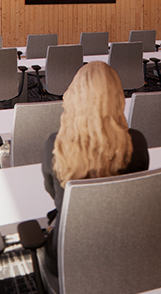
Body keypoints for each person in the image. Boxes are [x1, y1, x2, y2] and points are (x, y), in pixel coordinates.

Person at [41, 62, 150, 274]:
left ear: (75, 95)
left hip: (69, 255)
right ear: (117, 97)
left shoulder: (55, 144)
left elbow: (53, 194)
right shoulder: (136, 141)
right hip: (126, 245)